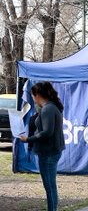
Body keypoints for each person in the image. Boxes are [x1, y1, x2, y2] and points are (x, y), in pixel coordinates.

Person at [20, 82, 65, 211]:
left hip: (48, 152)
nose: (33, 99)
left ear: (38, 95)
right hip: (50, 151)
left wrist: (28, 139)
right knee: (50, 186)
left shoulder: (48, 109)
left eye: (33, 96)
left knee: (50, 186)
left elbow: (47, 132)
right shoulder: (49, 107)